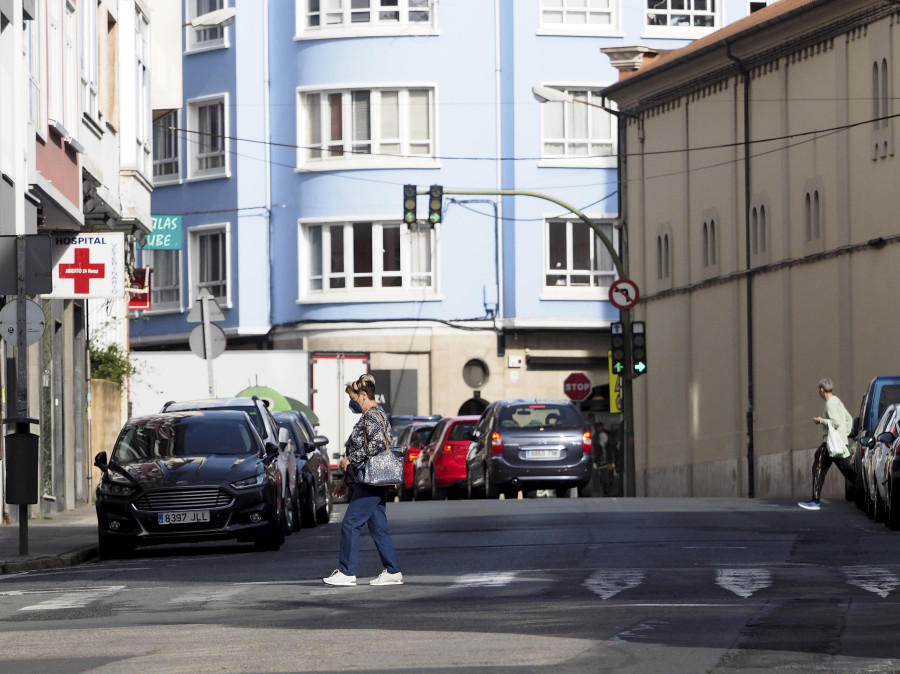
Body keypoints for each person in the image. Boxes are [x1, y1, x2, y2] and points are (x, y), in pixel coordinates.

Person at [323, 374, 403, 586]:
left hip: (371, 479)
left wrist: (350, 458)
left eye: (353, 398)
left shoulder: (372, 416)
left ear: (364, 395)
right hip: (373, 478)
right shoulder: (376, 415)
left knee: (350, 523)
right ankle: (393, 571)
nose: (352, 403)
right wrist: (345, 480)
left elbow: (376, 445)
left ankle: (347, 572)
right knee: (378, 527)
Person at [798, 378, 856, 511]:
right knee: (848, 471)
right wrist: (844, 434)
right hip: (840, 443)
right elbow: (849, 419)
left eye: (819, 390)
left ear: (821, 390)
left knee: (818, 467)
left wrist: (821, 420)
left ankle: (815, 501)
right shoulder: (838, 401)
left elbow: (835, 422)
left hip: (830, 442)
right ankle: (866, 493)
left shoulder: (830, 403)